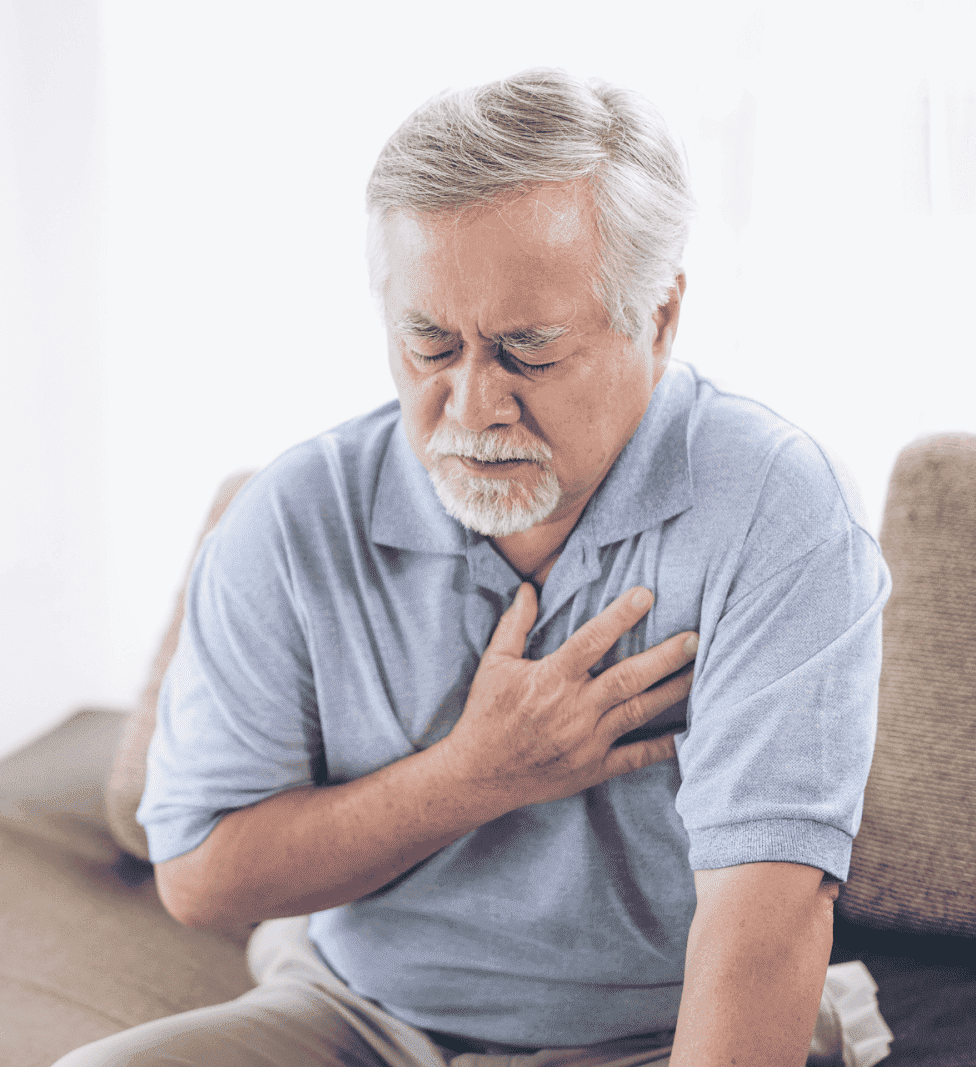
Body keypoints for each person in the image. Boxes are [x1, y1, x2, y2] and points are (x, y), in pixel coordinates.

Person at [60, 68, 891, 1067]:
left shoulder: (776, 507)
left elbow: (765, 918)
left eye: (525, 350)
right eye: (428, 343)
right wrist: (473, 773)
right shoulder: (287, 518)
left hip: (651, 1032)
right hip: (359, 1012)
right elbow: (198, 877)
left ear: (659, 317)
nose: (468, 406)